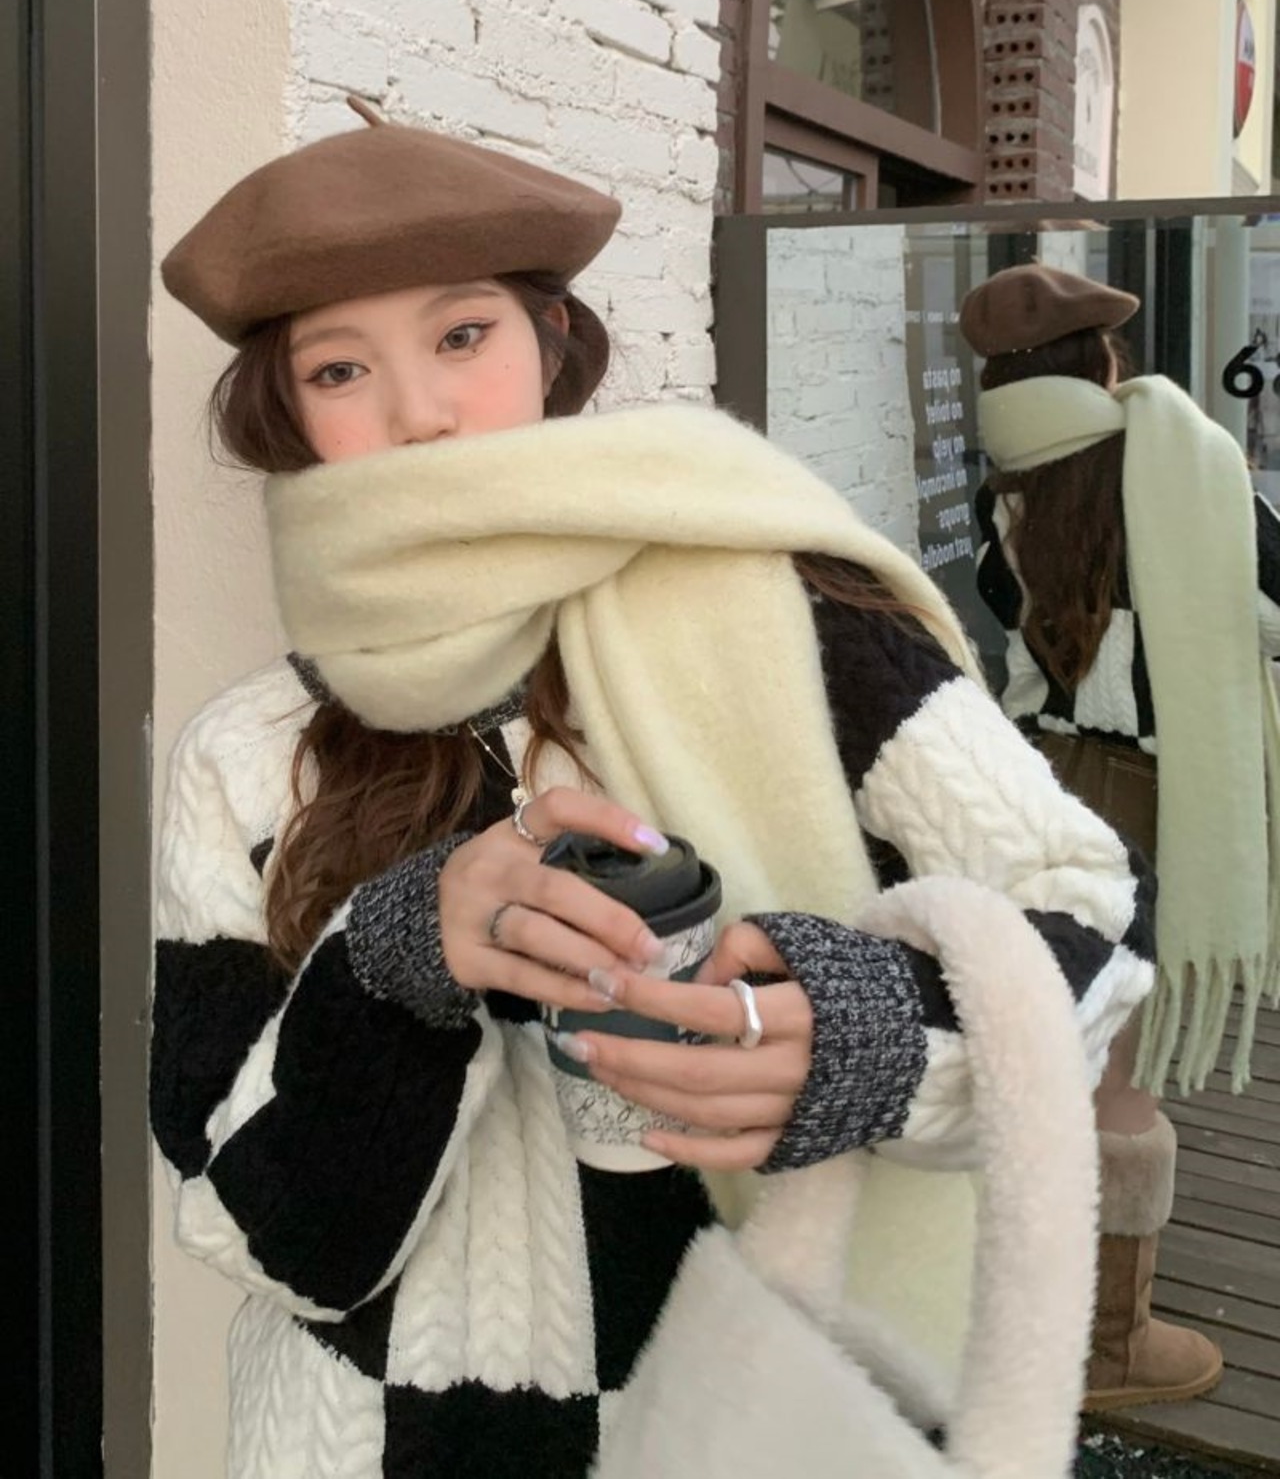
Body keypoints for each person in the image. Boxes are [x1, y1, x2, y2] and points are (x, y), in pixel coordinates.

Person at [151, 106, 1154, 1479]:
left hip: (741, 1426)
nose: (418, 411)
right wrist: (394, 957)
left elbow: (1085, 915)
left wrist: (862, 1038)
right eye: (339, 368)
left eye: (462, 336)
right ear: (287, 411)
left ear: (552, 341)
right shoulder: (248, 753)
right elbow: (255, 1230)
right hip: (356, 1440)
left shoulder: (785, 611)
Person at [963, 261, 1280, 1413]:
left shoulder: (1001, 496)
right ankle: (1102, 1343)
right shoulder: (1190, 468)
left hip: (1027, 787)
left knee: (1036, 1049)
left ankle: (1004, 1301)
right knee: (1115, 1079)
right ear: (1101, 360)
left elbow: (1014, 626)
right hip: (1144, 800)